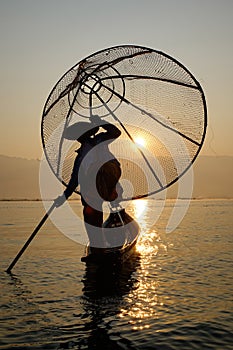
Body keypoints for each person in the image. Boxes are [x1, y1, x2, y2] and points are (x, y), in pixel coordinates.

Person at [55, 115, 122, 247]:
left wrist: (100, 122)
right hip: (94, 192)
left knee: (100, 173)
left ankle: (100, 245)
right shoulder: (80, 157)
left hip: (107, 179)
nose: (80, 137)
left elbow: (115, 132)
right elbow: (74, 181)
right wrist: (63, 198)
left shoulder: (100, 140)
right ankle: (97, 246)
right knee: (91, 216)